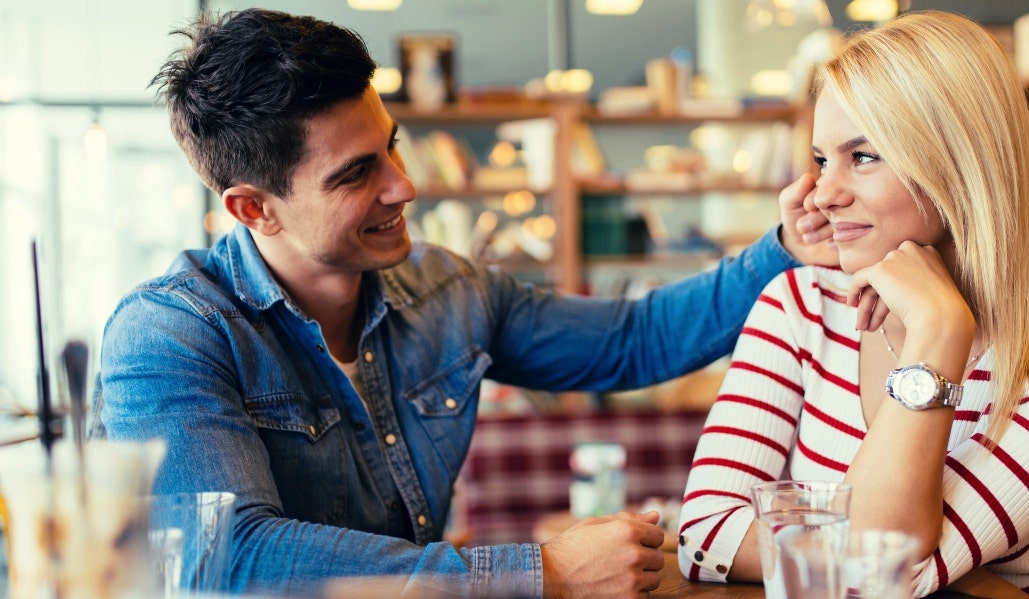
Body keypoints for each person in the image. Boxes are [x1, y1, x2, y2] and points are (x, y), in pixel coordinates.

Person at [87, 7, 838, 599]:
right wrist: (538, 574)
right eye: (356, 175)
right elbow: (231, 560)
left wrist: (784, 246)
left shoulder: (446, 289)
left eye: (394, 146)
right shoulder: (169, 334)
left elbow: (633, 339)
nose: (404, 186)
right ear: (254, 209)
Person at [677, 11, 1029, 598]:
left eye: (864, 156)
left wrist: (937, 330)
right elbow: (702, 539)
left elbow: (879, 577)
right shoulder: (800, 305)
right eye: (823, 159)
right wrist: (871, 556)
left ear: (959, 166)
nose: (822, 193)